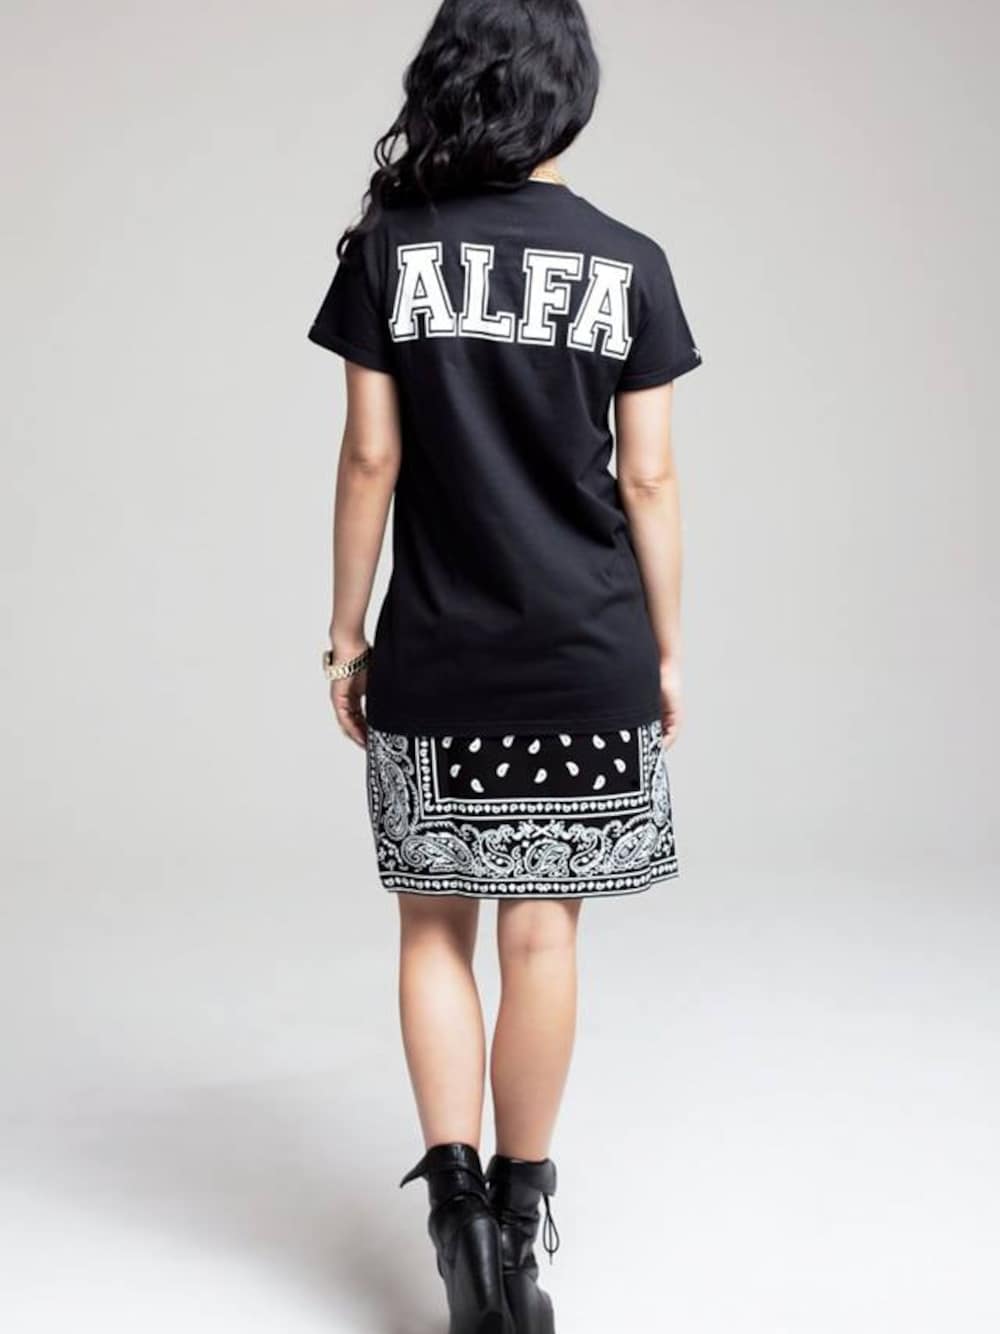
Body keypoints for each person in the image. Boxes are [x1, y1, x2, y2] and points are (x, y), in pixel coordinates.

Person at [307, 2, 702, 1329]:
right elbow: (648, 478)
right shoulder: (629, 261)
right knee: (544, 933)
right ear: (569, 95)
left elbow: (372, 456)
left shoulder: (391, 250)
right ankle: (523, 1224)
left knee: (435, 927)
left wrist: (346, 633)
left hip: (438, 650)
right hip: (586, 650)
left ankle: (459, 1216)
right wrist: (666, 649)